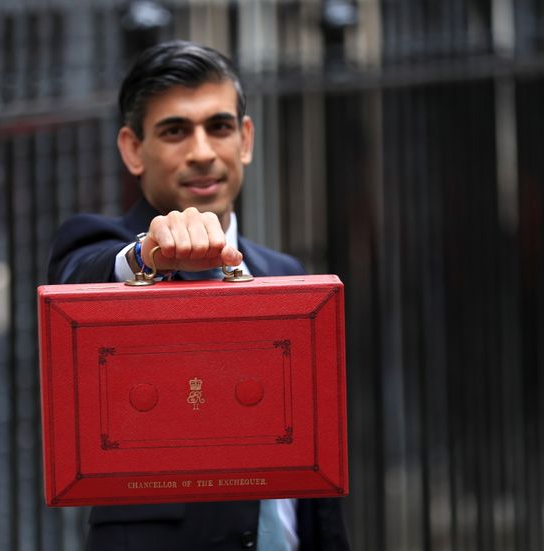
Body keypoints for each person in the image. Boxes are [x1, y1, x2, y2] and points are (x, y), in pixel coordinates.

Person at [48, 40, 350, 551]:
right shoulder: (100, 248)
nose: (202, 152)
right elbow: (82, 277)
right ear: (132, 149)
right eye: (174, 131)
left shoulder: (285, 274)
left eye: (219, 126)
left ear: (246, 139)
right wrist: (150, 255)